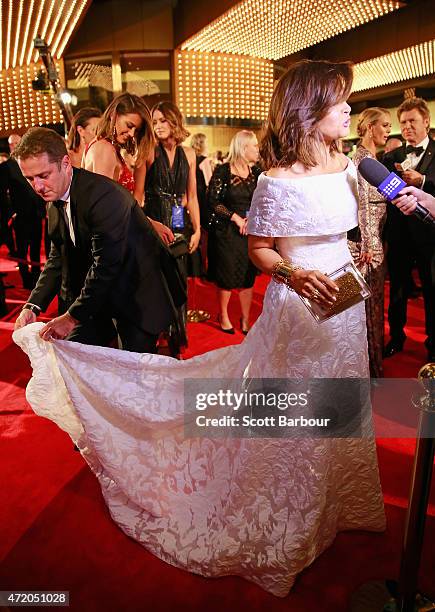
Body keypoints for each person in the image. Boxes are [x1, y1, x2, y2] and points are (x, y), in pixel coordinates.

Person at [13, 61, 385, 598]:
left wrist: (362, 245)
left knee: (340, 401)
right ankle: (290, 512)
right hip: (297, 305)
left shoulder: (354, 166)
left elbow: (355, 228)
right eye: (339, 101)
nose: (349, 109)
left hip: (344, 305)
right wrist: (294, 272)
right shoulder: (276, 180)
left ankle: (338, 499)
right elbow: (261, 249)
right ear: (309, 109)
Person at [13, 127, 183, 354]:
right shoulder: (54, 199)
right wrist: (33, 305)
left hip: (137, 294)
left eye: (44, 175)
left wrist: (71, 318)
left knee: (135, 374)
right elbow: (57, 259)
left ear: (65, 163)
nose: (38, 187)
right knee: (79, 363)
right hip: (100, 296)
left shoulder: (102, 197)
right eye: (29, 178)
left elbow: (106, 265)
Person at [137, 101, 201, 354]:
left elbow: (192, 196)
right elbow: (138, 197)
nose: (158, 126)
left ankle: (176, 339)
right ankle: (155, 337)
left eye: (163, 120)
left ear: (175, 121)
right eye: (154, 122)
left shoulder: (189, 154)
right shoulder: (149, 151)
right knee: (156, 284)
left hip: (179, 226)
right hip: (153, 226)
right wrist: (147, 226)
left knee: (178, 283)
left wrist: (196, 229)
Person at [383, 98, 435, 361]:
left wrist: (423, 180)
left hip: (430, 238)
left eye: (412, 121)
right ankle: (396, 338)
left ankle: (433, 346)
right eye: (403, 123)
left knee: (432, 290)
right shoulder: (391, 157)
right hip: (400, 235)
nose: (407, 127)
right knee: (398, 292)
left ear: (426, 121)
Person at [82, 93, 173, 245]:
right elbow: (105, 207)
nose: (131, 134)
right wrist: (149, 223)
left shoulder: (106, 147)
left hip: (114, 236)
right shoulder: (105, 149)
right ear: (114, 115)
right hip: (109, 241)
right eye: (129, 126)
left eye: (136, 130)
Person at [348, 108, 391, 376]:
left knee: (374, 303)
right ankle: (369, 368)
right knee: (369, 304)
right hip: (369, 243)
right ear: (370, 127)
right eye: (384, 125)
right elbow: (362, 203)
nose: (388, 130)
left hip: (377, 237)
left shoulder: (374, 159)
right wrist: (368, 243)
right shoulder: (362, 159)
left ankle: (372, 364)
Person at [207, 130, 261, 334]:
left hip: (250, 230)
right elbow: (213, 201)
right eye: (254, 146)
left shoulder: (257, 172)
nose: (258, 149)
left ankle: (246, 320)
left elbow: (263, 200)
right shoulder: (223, 171)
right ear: (244, 147)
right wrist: (235, 217)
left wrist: (252, 218)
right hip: (227, 232)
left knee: (248, 278)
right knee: (227, 277)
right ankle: (224, 315)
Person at [0, 133, 45, 289]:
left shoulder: (32, 162)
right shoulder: (7, 167)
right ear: (9, 147)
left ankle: (37, 279)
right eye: (12, 144)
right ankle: (26, 281)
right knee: (22, 251)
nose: (15, 146)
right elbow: (2, 193)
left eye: (18, 143)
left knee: (35, 250)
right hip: (20, 217)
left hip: (37, 214)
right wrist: (11, 212)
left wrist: (43, 207)